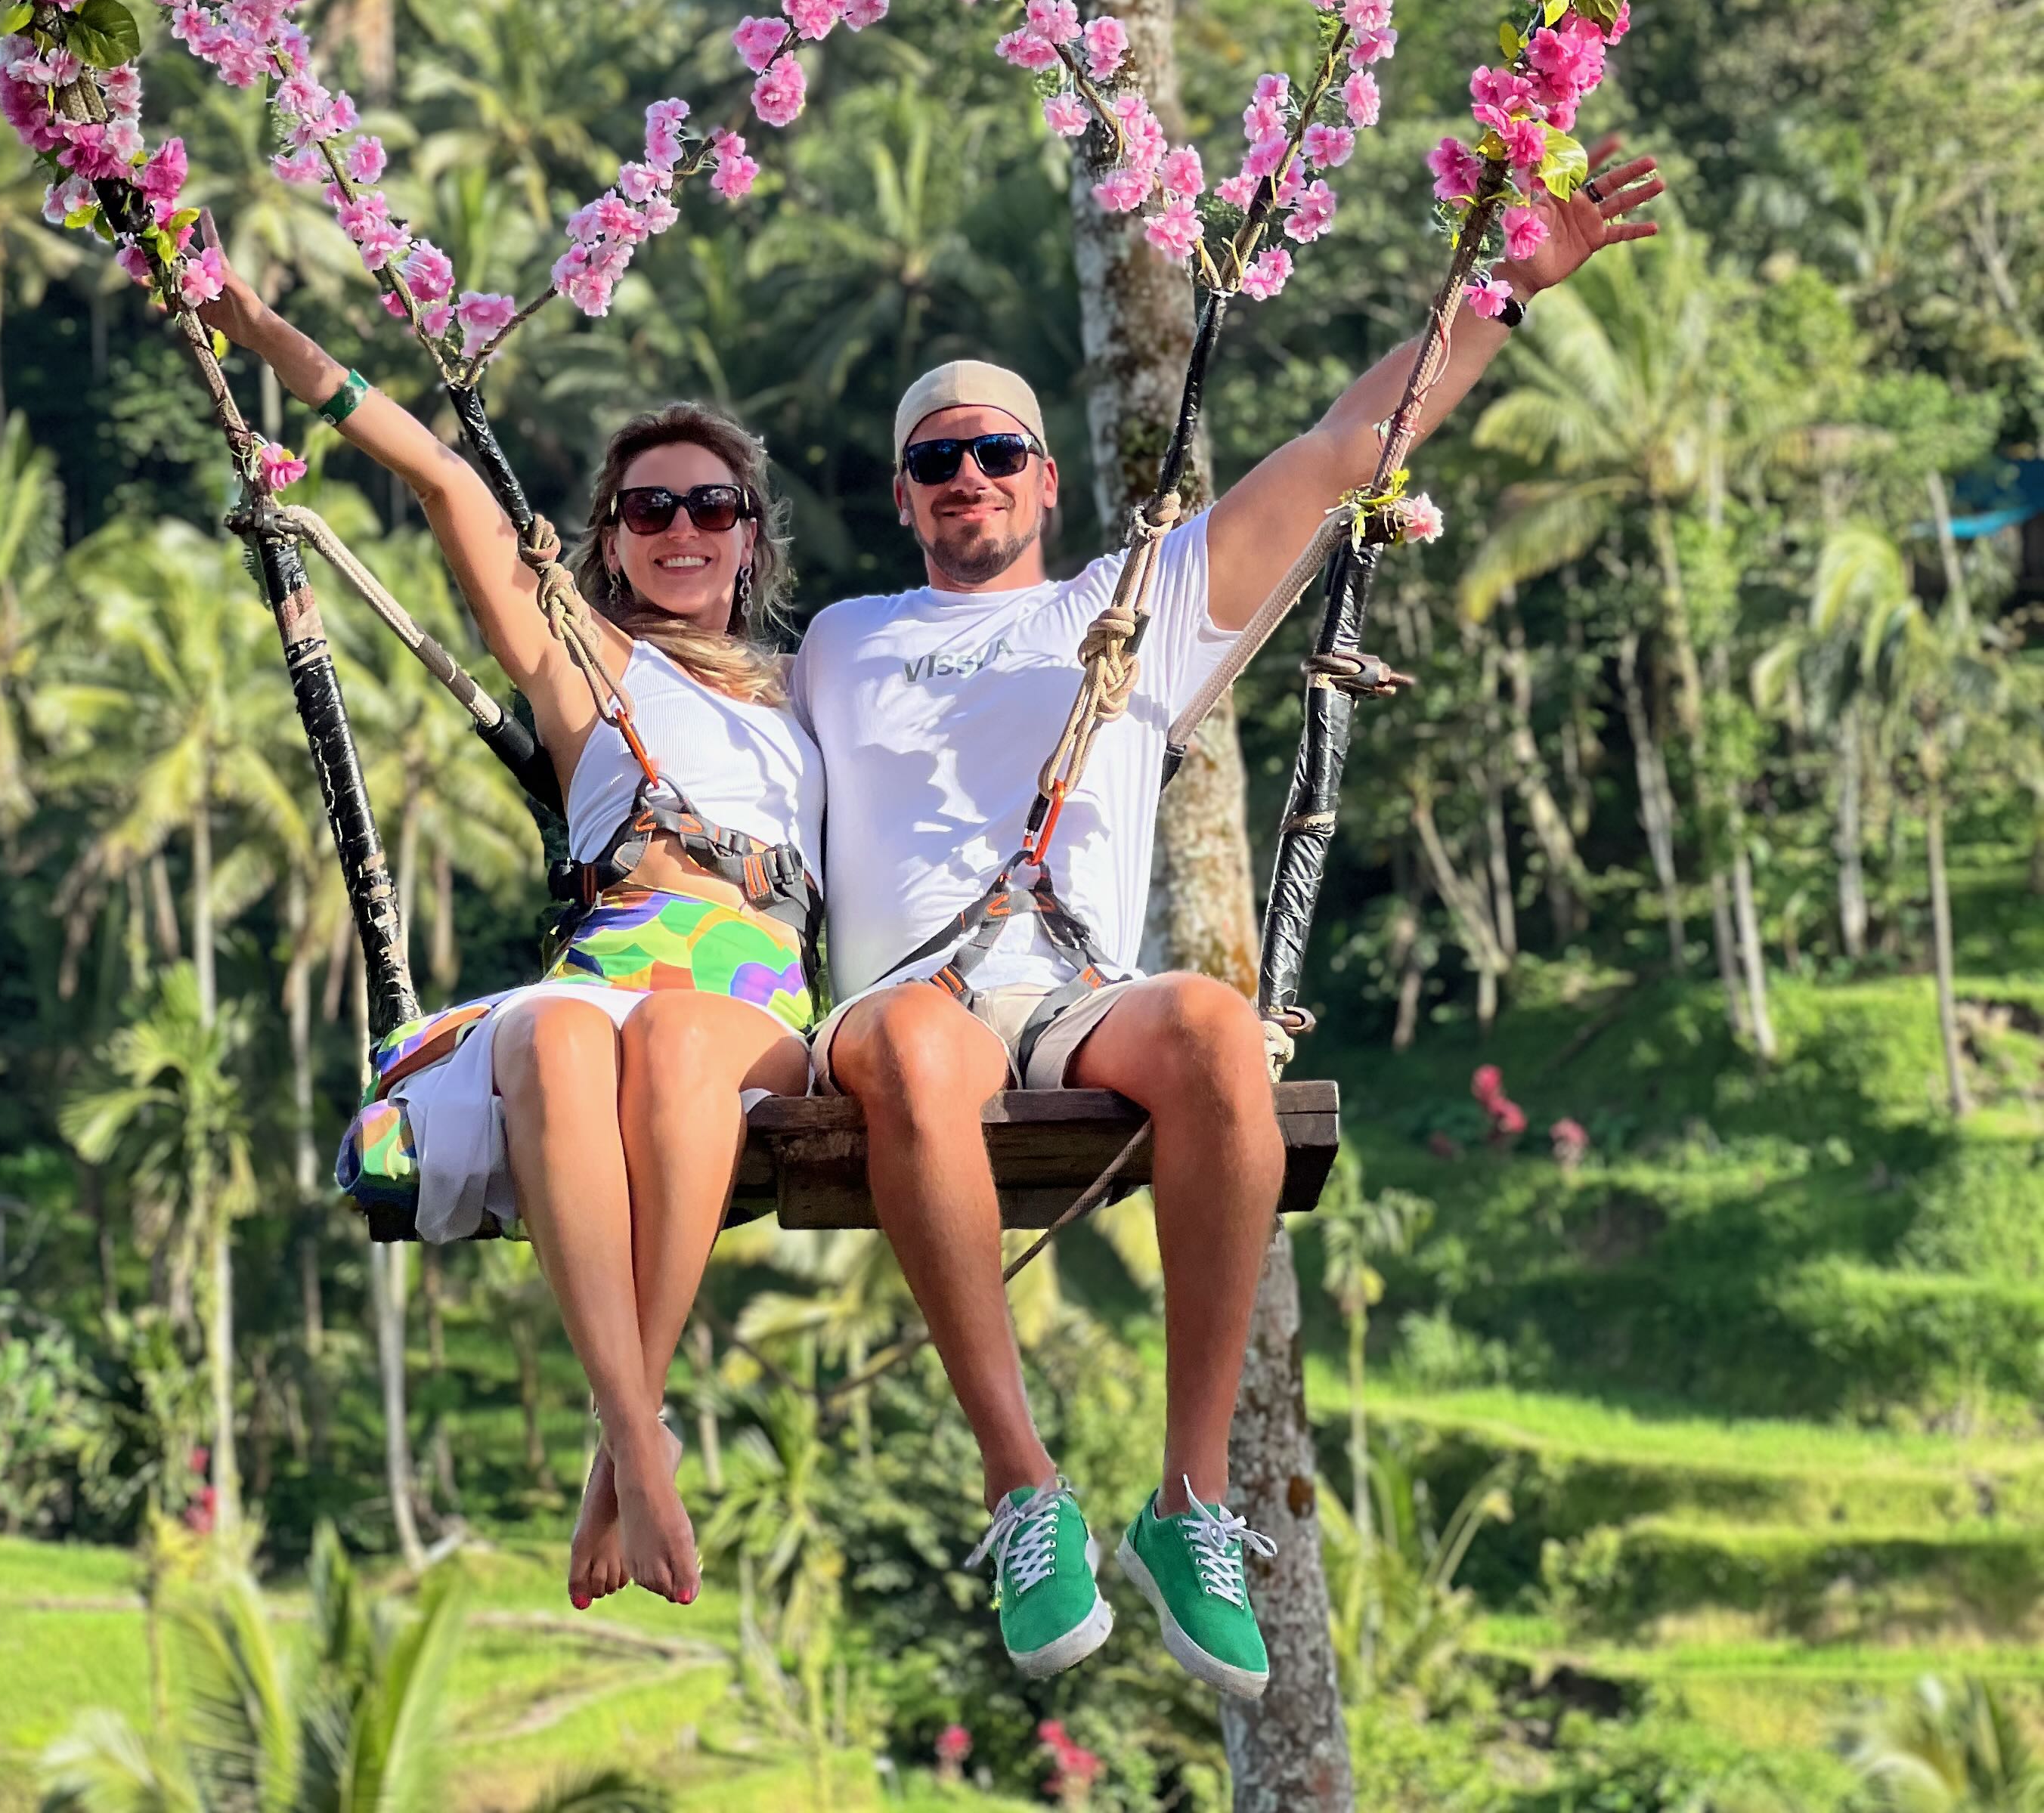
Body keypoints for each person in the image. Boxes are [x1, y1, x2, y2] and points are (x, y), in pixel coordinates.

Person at [791, 141, 1665, 1698]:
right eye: (937, 463)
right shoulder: (843, 641)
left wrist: (1507, 295)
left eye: (997, 453)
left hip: (1074, 992)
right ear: (905, 496)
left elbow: (1343, 451)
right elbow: (659, 675)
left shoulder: (1135, 603)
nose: (969, 480)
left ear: (1045, 478)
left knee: (1211, 1026)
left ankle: (1189, 1498)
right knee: (922, 1055)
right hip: (908, 1001)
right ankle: (1023, 1489)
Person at [200, 272, 822, 1614]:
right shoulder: (578, 661)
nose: (681, 530)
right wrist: (264, 339)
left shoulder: (810, 693)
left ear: (749, 541)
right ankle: (639, 1443)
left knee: (667, 1040)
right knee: (546, 1028)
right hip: (606, 958)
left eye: (711, 508)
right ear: (608, 539)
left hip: (744, 984)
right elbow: (440, 476)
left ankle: (624, 1456)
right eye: (649, 508)